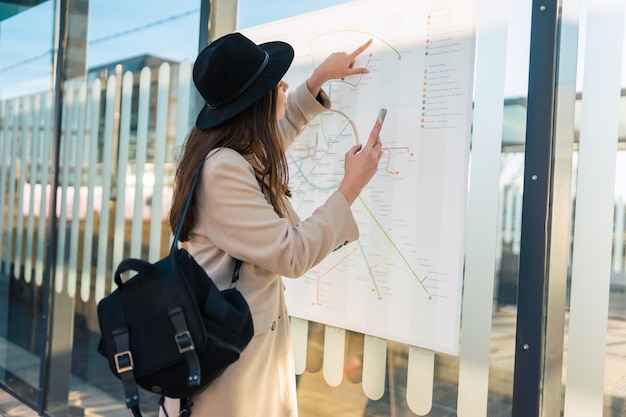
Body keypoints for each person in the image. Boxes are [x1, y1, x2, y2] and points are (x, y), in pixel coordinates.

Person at [163, 32, 383, 417]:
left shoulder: (226, 152)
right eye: (274, 82)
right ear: (256, 102)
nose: (283, 84)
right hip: (232, 375)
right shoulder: (223, 170)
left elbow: (269, 142)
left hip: (240, 355)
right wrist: (351, 186)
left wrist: (315, 81)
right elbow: (291, 253)